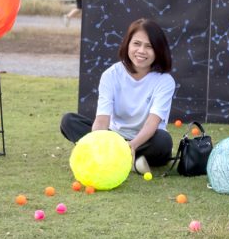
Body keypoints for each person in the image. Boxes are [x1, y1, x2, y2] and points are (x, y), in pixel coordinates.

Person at [59, 18, 176, 173]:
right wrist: (98, 142)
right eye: (136, 44)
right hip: (113, 138)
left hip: (145, 141)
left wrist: (132, 145)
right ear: (128, 44)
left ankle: (117, 157)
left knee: (163, 141)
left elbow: (152, 123)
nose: (141, 51)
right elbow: (102, 119)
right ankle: (128, 160)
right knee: (69, 121)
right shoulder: (111, 75)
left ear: (158, 50)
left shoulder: (165, 81)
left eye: (149, 46)